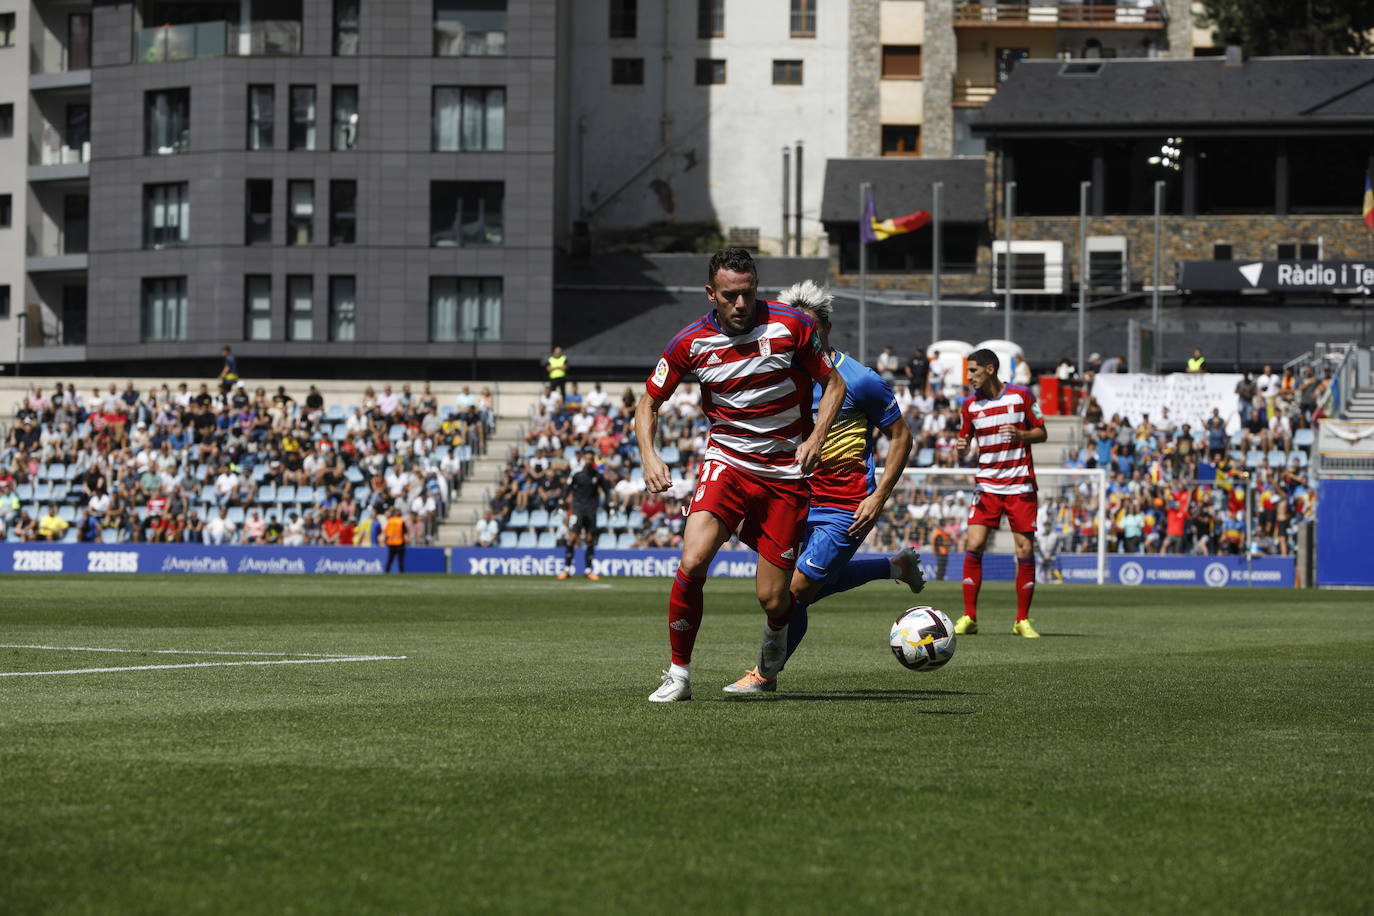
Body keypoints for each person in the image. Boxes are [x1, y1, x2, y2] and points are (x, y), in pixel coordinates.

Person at [637, 248, 845, 703]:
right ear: (711, 293)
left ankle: (775, 637)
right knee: (692, 561)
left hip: (785, 474)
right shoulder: (688, 343)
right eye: (730, 295)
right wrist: (649, 456)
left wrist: (816, 439)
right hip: (727, 463)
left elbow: (834, 383)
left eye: (748, 294)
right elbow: (649, 401)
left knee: (774, 599)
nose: (740, 304)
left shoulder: (793, 326)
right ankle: (678, 674)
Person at [722, 281, 923, 694]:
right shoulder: (781, 375)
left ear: (826, 328)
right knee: (795, 587)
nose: (801, 335)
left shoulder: (860, 379)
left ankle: (764, 674)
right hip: (793, 499)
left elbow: (901, 437)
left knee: (796, 590)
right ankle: (894, 567)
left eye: (809, 328)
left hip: (846, 505)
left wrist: (878, 496)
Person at [953, 348, 1048, 638]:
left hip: (1019, 484)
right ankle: (970, 617)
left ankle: (1022, 620)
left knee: (1025, 549)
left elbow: (1042, 432)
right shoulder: (969, 405)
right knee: (975, 544)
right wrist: (962, 447)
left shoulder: (1021, 396)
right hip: (987, 485)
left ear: (990, 369)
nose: (968, 377)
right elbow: (964, 438)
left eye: (973, 371)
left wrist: (1022, 435)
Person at [558, 449, 611, 580]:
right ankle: (567, 569)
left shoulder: (598, 476)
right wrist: (562, 499)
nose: (588, 460)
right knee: (572, 537)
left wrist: (610, 504)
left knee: (589, 539)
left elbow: (607, 491)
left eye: (590, 459)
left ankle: (588, 570)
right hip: (578, 509)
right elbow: (568, 488)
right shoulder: (577, 475)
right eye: (586, 458)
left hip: (591, 510)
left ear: (593, 461)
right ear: (583, 460)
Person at [383, 505, 408, 573]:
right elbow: (404, 533)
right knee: (400, 560)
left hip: (391, 543)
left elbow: (386, 532)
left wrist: (385, 541)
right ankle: (401, 573)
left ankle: (386, 572)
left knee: (390, 560)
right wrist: (407, 541)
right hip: (399, 543)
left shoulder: (390, 521)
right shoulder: (401, 521)